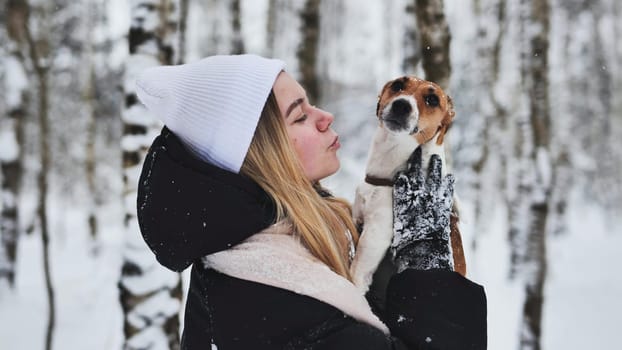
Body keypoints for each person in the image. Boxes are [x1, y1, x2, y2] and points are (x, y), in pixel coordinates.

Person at [135, 54, 487, 350]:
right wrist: (427, 266)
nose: (325, 117)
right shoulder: (268, 303)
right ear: (260, 154)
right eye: (300, 116)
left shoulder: (274, 247)